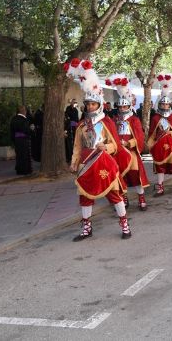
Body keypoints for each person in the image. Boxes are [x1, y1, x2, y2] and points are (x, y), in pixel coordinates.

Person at [65, 59, 131, 241]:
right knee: (85, 196)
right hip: (86, 162)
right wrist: (73, 163)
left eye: (93, 104)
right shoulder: (81, 125)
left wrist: (107, 146)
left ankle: (124, 224)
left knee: (114, 194)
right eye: (88, 104)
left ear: (99, 105)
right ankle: (86, 228)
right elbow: (77, 146)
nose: (90, 107)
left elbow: (116, 145)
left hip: (104, 161)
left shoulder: (107, 122)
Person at [108, 74, 150, 211]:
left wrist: (129, 143)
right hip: (118, 153)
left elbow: (139, 136)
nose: (122, 110)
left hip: (131, 153)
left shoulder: (134, 120)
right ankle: (123, 197)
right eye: (120, 108)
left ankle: (141, 198)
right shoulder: (114, 120)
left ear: (128, 107)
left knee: (135, 175)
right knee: (121, 176)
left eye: (124, 107)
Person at [147, 73, 172, 196]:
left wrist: (171, 133)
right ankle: (160, 187)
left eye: (167, 104)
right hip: (159, 147)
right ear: (160, 105)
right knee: (160, 168)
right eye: (163, 104)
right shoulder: (155, 117)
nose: (164, 106)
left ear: (170, 105)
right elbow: (152, 133)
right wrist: (151, 146)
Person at [10, 105, 33, 175]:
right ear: (24, 111)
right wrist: (31, 131)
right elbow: (26, 130)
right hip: (24, 140)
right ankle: (25, 170)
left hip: (17, 140)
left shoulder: (13, 119)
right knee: (25, 155)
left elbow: (12, 130)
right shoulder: (24, 119)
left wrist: (14, 139)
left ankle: (19, 170)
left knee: (19, 155)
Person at [64, 99, 80, 163]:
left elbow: (76, 119)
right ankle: (69, 157)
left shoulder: (76, 110)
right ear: (71, 103)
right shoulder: (68, 108)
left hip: (74, 128)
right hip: (68, 128)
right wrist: (72, 123)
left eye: (75, 102)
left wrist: (76, 124)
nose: (74, 103)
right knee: (69, 143)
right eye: (73, 102)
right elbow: (68, 119)